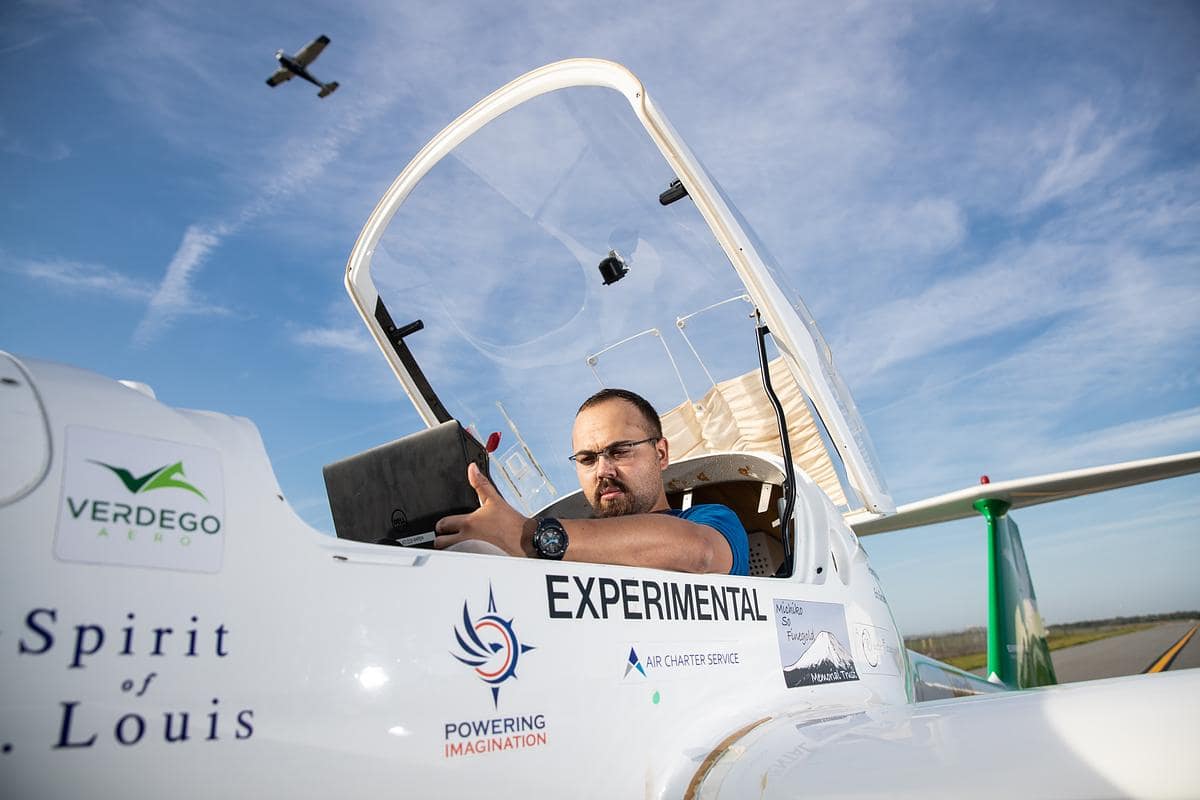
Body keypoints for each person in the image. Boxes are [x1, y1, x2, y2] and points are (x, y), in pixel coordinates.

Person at [434, 388, 750, 576]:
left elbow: (699, 552)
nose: (602, 470)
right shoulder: (564, 549)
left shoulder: (713, 521)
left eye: (620, 450)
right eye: (587, 459)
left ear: (661, 453)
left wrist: (524, 535)